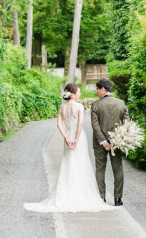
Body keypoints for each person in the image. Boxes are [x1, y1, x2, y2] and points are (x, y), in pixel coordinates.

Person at [24, 84, 116, 212]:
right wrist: (76, 139)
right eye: (79, 92)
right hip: (78, 138)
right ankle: (80, 193)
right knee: (81, 163)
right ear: (72, 94)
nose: (80, 94)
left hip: (67, 137)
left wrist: (67, 138)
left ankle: (66, 192)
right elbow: (80, 124)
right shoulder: (79, 106)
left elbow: (59, 125)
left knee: (68, 162)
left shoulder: (62, 107)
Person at [91, 78, 129, 206]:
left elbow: (95, 126)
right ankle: (118, 199)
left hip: (99, 144)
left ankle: (102, 198)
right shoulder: (121, 103)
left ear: (102, 89)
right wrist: (117, 140)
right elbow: (126, 125)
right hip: (117, 144)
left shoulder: (96, 105)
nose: (97, 92)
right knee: (117, 169)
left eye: (97, 89)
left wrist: (102, 141)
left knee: (100, 169)